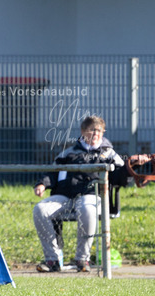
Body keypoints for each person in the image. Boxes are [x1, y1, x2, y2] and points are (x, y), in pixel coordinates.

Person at [32, 115, 125, 273]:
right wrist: (42, 183)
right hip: (66, 196)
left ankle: (82, 259)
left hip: (92, 195)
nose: (95, 134)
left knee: (87, 209)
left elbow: (122, 176)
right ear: (83, 132)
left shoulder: (109, 153)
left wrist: (133, 166)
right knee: (40, 210)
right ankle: (53, 260)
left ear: (103, 133)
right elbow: (52, 172)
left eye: (99, 130)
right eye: (91, 130)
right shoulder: (68, 153)